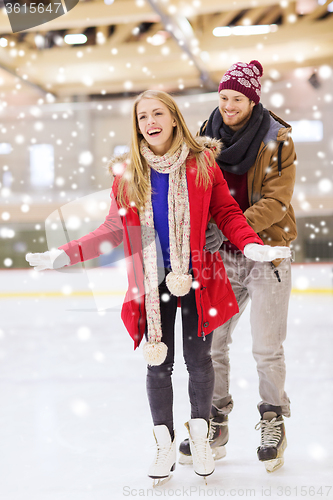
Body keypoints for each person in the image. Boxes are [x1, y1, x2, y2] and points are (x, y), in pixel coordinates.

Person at [26, 89, 291, 484]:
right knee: (158, 363)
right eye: (141, 117)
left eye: (156, 114)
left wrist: (251, 244)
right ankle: (163, 444)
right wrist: (66, 254)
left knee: (200, 361)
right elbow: (113, 230)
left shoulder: (201, 164)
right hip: (151, 282)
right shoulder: (130, 173)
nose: (149, 122)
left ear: (172, 118)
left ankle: (201, 436)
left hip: (198, 277)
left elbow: (228, 213)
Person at [178, 60, 297, 473]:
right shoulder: (201, 137)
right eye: (224, 97)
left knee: (266, 347)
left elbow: (276, 201)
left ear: (252, 100)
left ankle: (272, 418)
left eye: (237, 99)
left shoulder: (277, 139)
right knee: (212, 342)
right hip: (220, 256)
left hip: (267, 250)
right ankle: (216, 418)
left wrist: (231, 228)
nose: (228, 106)